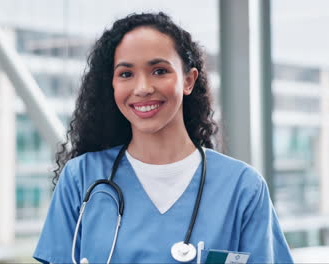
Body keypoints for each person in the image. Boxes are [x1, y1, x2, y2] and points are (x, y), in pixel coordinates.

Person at [33, 12, 294, 264]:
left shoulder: (243, 188)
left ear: (188, 80)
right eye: (126, 74)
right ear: (111, 85)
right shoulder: (81, 178)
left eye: (159, 71)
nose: (143, 88)